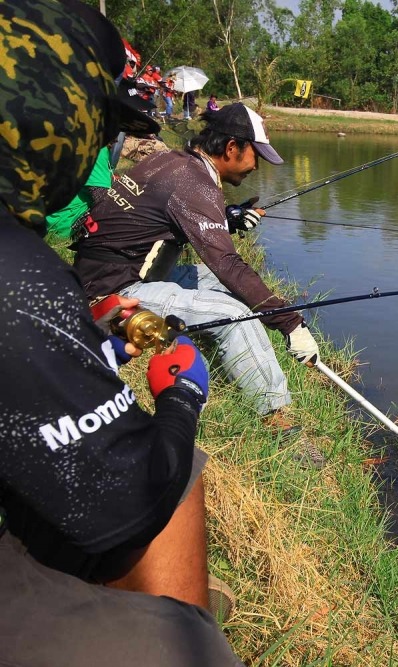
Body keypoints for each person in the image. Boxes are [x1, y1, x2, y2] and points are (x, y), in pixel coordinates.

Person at [0, 1, 243, 664]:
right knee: (175, 472)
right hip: (108, 302)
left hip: (97, 302)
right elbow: (124, 488)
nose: (100, 147)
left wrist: (96, 350)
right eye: (97, 120)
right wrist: (183, 396)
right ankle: (182, 624)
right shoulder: (18, 277)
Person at [73, 103, 327, 469]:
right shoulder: (194, 183)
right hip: (110, 292)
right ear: (232, 149)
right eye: (256, 156)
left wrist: (229, 218)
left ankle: (257, 372)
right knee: (233, 310)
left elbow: (174, 213)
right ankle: (278, 420)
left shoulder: (174, 163)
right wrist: (289, 322)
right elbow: (227, 263)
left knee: (229, 292)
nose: (257, 166)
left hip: (122, 271)